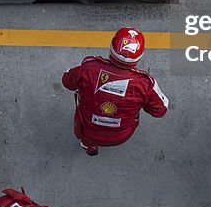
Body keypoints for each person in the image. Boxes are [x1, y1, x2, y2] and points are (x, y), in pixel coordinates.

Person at [61, 27, 168, 155]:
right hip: (121, 135)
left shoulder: (88, 68)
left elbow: (66, 81)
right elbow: (160, 111)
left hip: (87, 130)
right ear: (140, 57)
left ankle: (89, 147)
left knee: (84, 128)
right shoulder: (146, 84)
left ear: (111, 48)